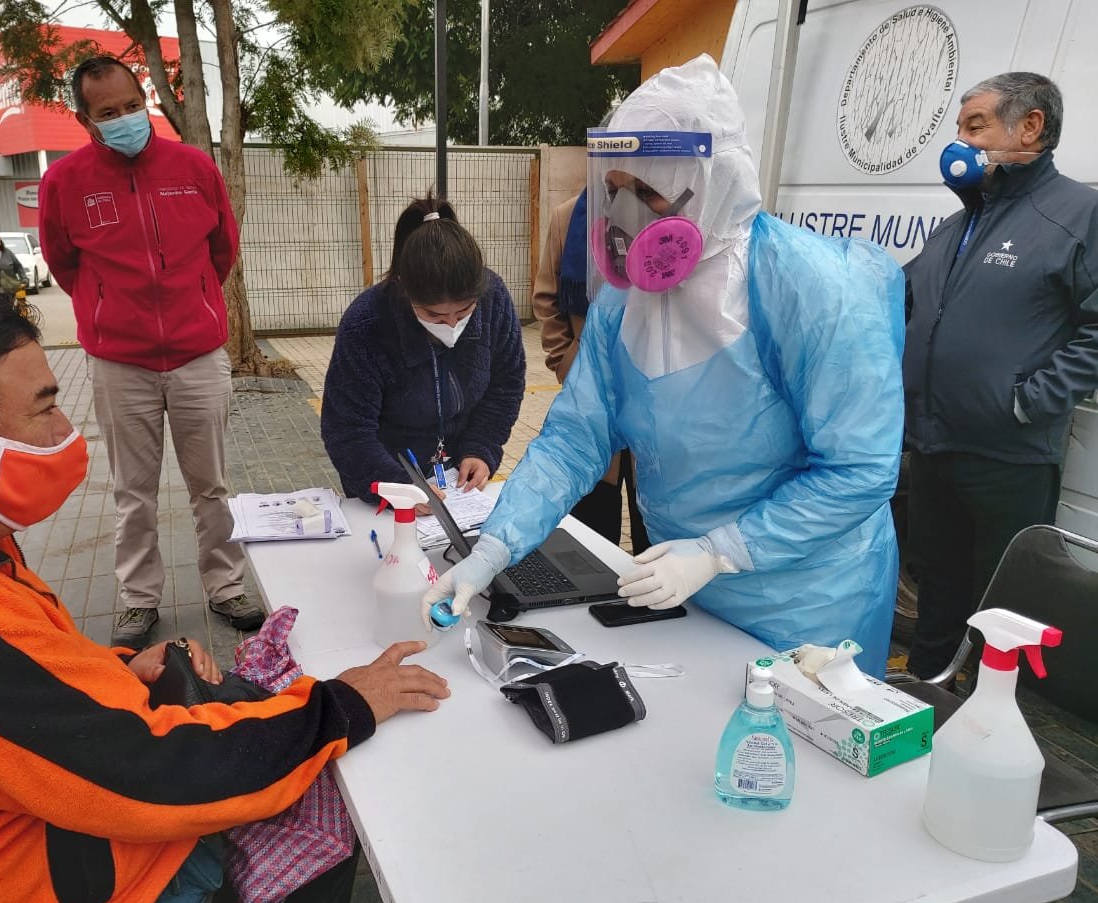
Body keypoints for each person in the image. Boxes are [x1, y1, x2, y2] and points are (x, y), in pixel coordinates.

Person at [0, 285, 450, 903]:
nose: (67, 430)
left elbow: (6, 691)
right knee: (312, 772)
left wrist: (115, 669)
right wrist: (342, 704)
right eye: (46, 408)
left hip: (45, 849)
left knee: (305, 799)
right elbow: (147, 767)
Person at [424, 55, 905, 677]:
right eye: (617, 189)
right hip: (684, 585)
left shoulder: (816, 289)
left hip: (809, 601)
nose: (627, 214)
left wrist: (721, 552)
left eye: (647, 192)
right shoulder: (624, 301)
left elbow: (859, 470)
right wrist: (494, 546)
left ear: (714, 183)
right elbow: (575, 438)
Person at [39, 55, 265, 647]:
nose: (124, 119)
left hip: (197, 357)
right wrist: (109, 309)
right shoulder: (64, 182)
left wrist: (193, 307)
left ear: (146, 100)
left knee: (211, 485)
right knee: (132, 492)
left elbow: (223, 251)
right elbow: (64, 264)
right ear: (85, 120)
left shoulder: (193, 168)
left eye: (132, 106)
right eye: (107, 113)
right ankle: (138, 599)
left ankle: (226, 585)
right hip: (120, 364)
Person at [902, 72, 1098, 679]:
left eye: (975, 126)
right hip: (933, 447)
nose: (959, 142)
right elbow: (901, 300)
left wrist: (1028, 402)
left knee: (1002, 607)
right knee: (936, 589)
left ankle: (987, 720)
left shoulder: (1078, 212)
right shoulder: (960, 222)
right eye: (959, 128)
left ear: (1031, 127)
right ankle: (926, 701)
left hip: (1008, 457)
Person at [320, 193, 526, 503]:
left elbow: (506, 385)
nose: (451, 324)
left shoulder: (493, 298)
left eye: (464, 311)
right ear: (404, 289)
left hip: (459, 483)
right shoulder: (366, 324)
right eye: (434, 315)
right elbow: (347, 430)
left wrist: (482, 448)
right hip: (389, 475)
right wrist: (396, 487)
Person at [534, 188, 649, 553]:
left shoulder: (670, 216)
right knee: (592, 527)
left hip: (656, 393)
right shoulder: (569, 216)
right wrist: (567, 360)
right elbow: (547, 299)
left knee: (655, 525)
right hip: (592, 393)